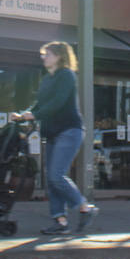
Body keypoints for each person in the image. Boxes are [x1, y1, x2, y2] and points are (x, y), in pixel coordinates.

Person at [12, 41, 97, 235]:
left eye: (47, 54)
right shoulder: (47, 79)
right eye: (43, 54)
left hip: (69, 130)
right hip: (52, 133)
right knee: (52, 180)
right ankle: (60, 221)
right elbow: (40, 104)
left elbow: (58, 102)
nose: (43, 57)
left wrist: (34, 115)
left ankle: (85, 207)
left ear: (59, 56)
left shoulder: (66, 75)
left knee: (56, 175)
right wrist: (23, 115)